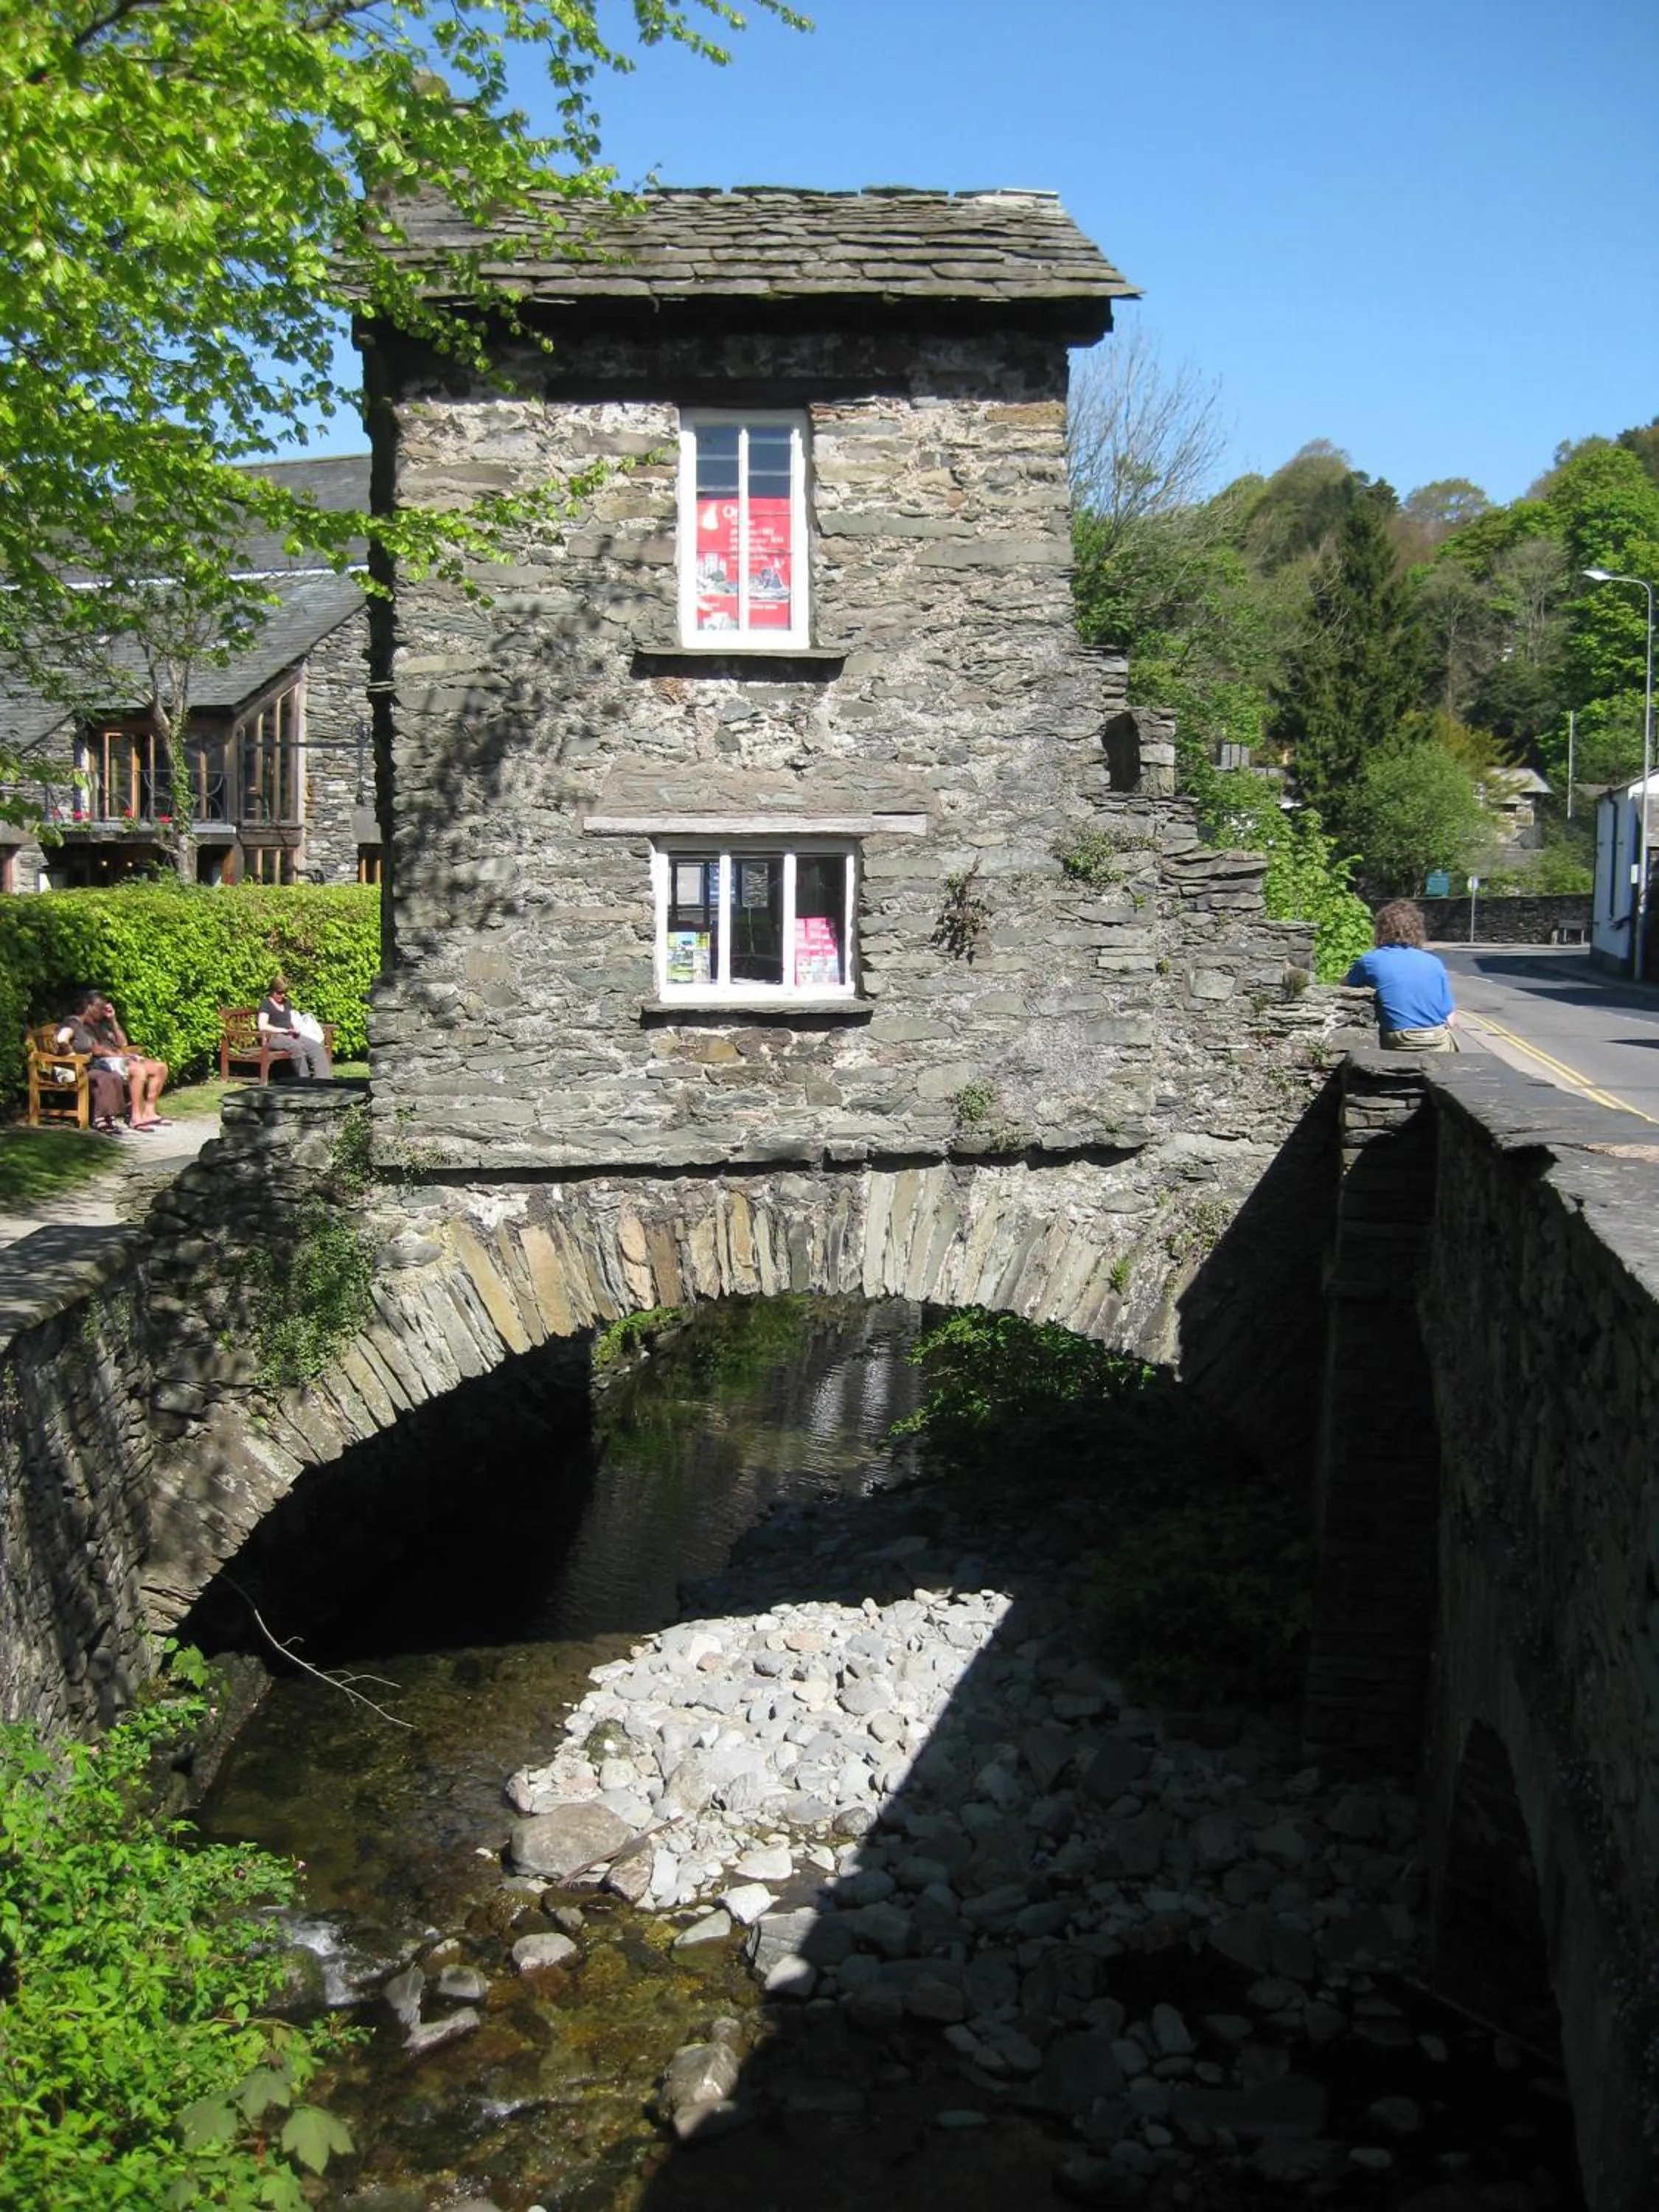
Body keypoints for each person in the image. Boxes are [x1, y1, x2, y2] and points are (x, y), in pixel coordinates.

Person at [1346, 900, 1458, 1051]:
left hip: (1400, 1040)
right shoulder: (1434, 962)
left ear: (1381, 930)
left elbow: (1344, 988)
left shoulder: (1371, 961)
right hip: (1437, 1040)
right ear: (1418, 931)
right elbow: (1451, 1019)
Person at [60, 990, 171, 1127]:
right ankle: (136, 1117)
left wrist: (113, 1020)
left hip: (117, 1058)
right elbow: (97, 1050)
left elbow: (123, 1043)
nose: (103, 1011)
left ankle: (149, 1112)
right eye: (100, 1008)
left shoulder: (101, 1025)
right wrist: (121, 1056)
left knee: (160, 1068)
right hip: (102, 1062)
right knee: (138, 1070)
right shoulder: (77, 1023)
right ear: (89, 1007)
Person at [257, 974, 333, 1079]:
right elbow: (262, 1026)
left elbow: (291, 1020)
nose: (282, 996)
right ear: (272, 990)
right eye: (279, 993)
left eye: (284, 993)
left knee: (315, 1047)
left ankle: (324, 1079)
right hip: (273, 1037)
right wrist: (281, 1030)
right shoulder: (266, 1004)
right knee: (296, 1047)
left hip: (290, 1034)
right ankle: (304, 1080)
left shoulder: (287, 1003)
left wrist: (295, 1028)